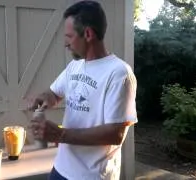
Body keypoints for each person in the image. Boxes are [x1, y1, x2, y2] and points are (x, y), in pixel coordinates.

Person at [26, 1, 138, 180]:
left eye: (69, 37)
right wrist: (42, 98)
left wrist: (60, 134)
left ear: (88, 34)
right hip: (61, 169)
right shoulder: (75, 66)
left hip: (91, 176)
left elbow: (115, 134)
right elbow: (54, 94)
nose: (66, 43)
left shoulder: (119, 73)